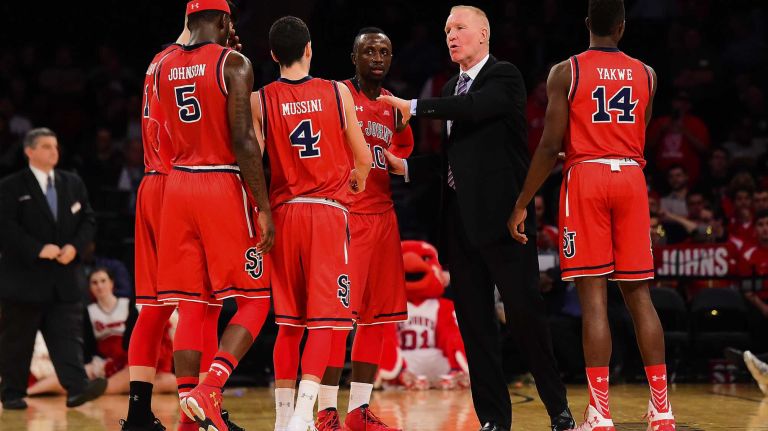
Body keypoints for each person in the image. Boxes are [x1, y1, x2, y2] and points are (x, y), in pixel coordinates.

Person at [378, 6, 573, 431]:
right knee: (475, 326)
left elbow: (473, 108)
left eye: (460, 28)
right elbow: (454, 160)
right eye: (447, 29)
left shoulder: (504, 76)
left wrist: (414, 106)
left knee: (525, 318)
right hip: (459, 223)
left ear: (484, 33)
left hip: (506, 221)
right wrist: (405, 167)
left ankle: (559, 411)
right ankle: (493, 420)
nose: (451, 35)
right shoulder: (451, 88)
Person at [506, 1, 676, 430]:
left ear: (587, 24)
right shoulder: (647, 74)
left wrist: (523, 201)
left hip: (587, 177)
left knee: (594, 299)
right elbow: (639, 130)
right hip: (631, 176)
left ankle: (600, 413)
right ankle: (662, 410)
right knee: (640, 297)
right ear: (622, 27)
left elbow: (550, 145)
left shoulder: (566, 71)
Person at [154, 1, 274, 430]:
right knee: (256, 299)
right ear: (225, 22)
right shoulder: (233, 62)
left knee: (192, 305)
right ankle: (211, 388)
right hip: (219, 182)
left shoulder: (163, 65)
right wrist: (262, 206)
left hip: (178, 184)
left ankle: (189, 419)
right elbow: (243, 139)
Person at [251, 16, 371, 431]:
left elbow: (253, 165)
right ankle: (305, 412)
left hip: (285, 214)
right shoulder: (338, 92)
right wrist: (356, 180)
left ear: (272, 55)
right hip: (326, 212)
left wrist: (261, 210)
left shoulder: (260, 100)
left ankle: (283, 418)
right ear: (309, 49)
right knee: (325, 320)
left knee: (288, 323)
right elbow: (363, 158)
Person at [314, 27, 414, 431]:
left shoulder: (396, 106)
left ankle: (358, 410)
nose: (377, 57)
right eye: (369, 51)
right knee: (337, 319)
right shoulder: (336, 96)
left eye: (384, 52)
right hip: (345, 216)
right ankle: (325, 411)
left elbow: (404, 152)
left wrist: (398, 161)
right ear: (353, 57)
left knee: (378, 319)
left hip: (383, 217)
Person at [0, 127, 105, 410]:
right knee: (18, 341)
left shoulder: (72, 182)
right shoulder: (11, 186)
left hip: (64, 278)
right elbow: (6, 226)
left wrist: (75, 247)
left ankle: (77, 388)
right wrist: (36, 248)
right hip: (24, 279)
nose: (53, 152)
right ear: (29, 151)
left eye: (55, 146)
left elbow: (89, 220)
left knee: (68, 337)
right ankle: (12, 393)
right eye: (46, 146)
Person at [122, 15, 190, 431]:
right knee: (198, 304)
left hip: (149, 185)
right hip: (178, 183)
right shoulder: (189, 64)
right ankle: (197, 409)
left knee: (153, 308)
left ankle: (137, 414)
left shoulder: (157, 61)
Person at [27, 268, 176, 397]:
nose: (100, 286)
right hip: (103, 361)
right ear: (90, 288)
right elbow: (87, 346)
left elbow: (137, 339)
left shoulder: (128, 305)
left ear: (111, 283)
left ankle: (103, 390)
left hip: (128, 358)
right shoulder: (89, 311)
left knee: (168, 381)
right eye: (94, 282)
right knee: (74, 375)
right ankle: (29, 392)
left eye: (103, 281)